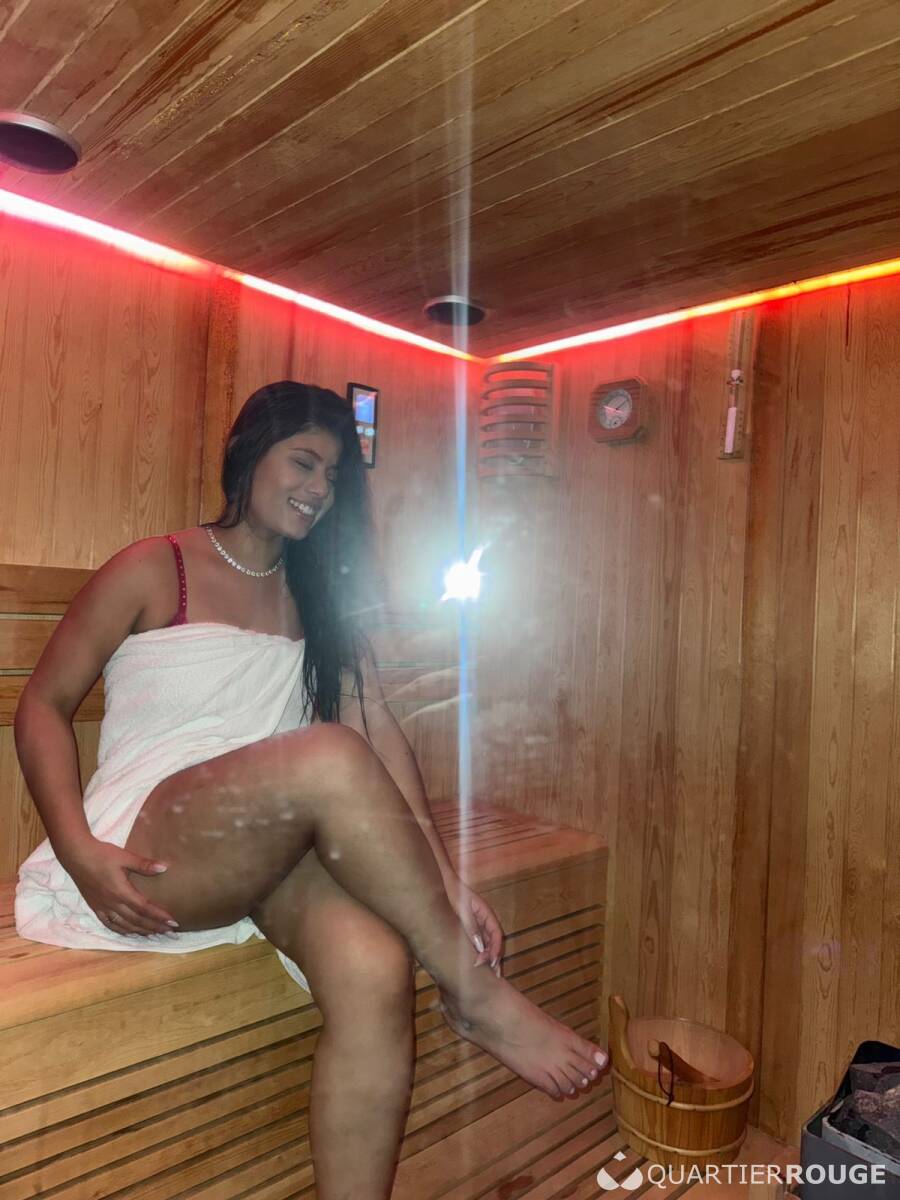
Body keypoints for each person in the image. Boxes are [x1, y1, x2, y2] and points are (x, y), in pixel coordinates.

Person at [14, 380, 609, 1199]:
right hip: (152, 837)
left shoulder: (320, 602)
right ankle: (475, 996)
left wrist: (445, 878)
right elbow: (43, 705)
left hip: (272, 844)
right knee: (327, 751)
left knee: (375, 966)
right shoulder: (158, 567)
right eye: (304, 462)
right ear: (247, 452)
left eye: (334, 475)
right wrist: (78, 850)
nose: (320, 488)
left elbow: (380, 735)